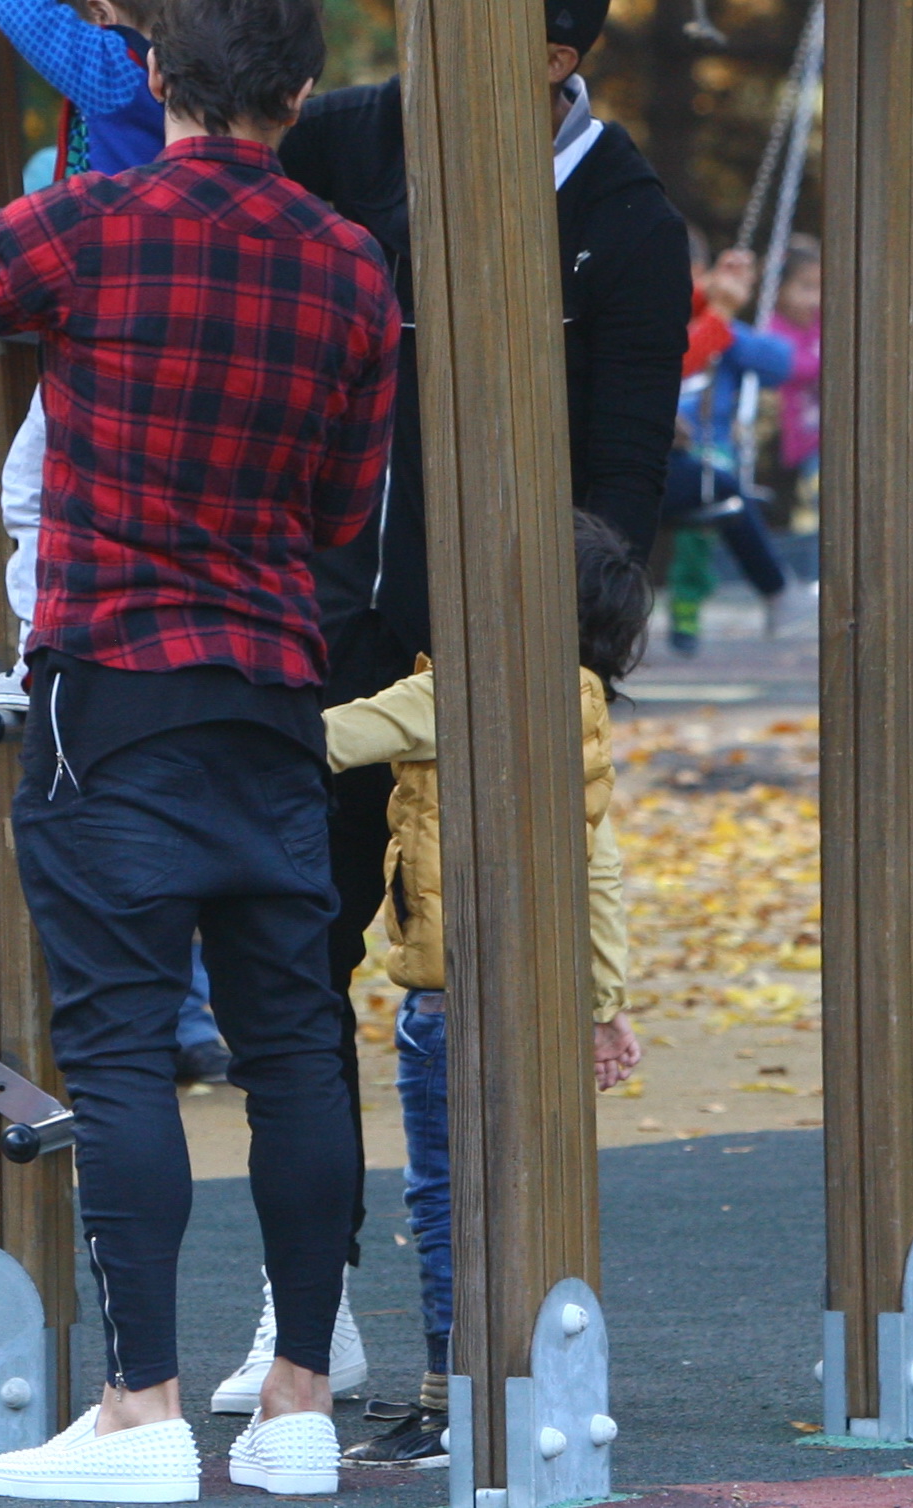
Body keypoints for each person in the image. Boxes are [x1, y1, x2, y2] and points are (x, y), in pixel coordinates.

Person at [0, 0, 400, 1504]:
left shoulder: (95, 224)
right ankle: (295, 1403)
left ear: (157, 74)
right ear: (297, 93)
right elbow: (349, 530)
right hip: (276, 699)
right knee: (299, 1055)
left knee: (123, 1053)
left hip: (113, 699)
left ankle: (143, 1407)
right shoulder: (355, 268)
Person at [209, 0, 691, 1416]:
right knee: (292, 956)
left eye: (469, 20)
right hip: (332, 629)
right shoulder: (358, 137)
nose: (429, 51)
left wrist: (549, 671)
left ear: (554, 57)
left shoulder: (625, 217)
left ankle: (486, 1324)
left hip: (491, 666)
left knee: (473, 996)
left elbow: (622, 474)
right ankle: (311, 1308)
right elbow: (204, 159)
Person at [0, 0, 228, 1083]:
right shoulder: (180, 55)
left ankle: (33, 644)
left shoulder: (119, 67)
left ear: (105, 12)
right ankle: (194, 1012)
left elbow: (38, 33)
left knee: (27, 491)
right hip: (166, 339)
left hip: (116, 329)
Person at [334, 511, 646, 1468]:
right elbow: (597, 863)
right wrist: (604, 1001)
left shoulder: (457, 693)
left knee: (443, 1201)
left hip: (448, 997)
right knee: (509, 1190)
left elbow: (333, 737)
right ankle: (485, 1383)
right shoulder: (578, 697)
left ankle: (454, 1397)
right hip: (539, 994)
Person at [665, 239, 798, 653]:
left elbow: (780, 362)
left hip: (708, 445)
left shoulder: (721, 333)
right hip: (669, 453)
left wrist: (715, 299)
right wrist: (719, 308)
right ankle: (770, 589)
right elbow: (673, 361)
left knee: (721, 484)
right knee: (719, 488)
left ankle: (771, 591)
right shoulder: (645, 317)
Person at [766, 235, 822, 533]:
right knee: (806, 507)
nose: (815, 299)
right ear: (778, 291)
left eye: (820, 288)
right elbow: (793, 366)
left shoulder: (820, 324)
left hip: (824, 440)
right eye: (805, 288)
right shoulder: (774, 329)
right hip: (795, 443)